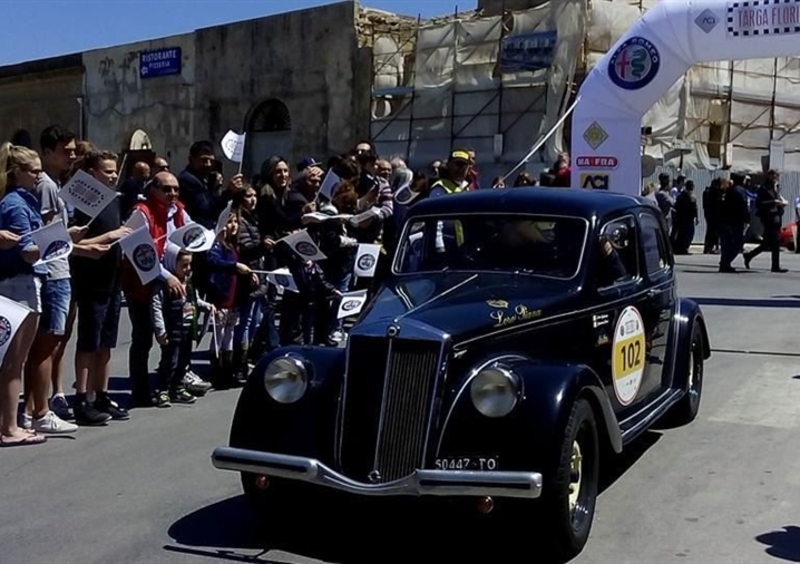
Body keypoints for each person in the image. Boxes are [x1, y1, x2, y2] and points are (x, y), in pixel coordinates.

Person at [150, 245, 214, 407]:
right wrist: (160, 331)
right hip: (172, 331)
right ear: (173, 263)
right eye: (184, 265)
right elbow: (156, 306)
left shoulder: (188, 282)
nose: (188, 269)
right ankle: (163, 390)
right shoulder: (165, 285)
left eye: (189, 265)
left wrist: (205, 305)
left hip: (187, 330)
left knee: (183, 361)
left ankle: (177, 388)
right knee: (170, 361)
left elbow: (195, 299)